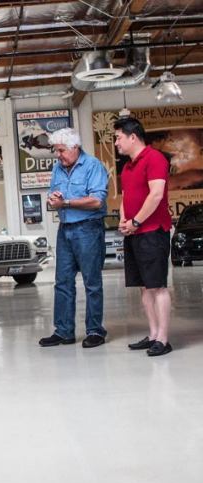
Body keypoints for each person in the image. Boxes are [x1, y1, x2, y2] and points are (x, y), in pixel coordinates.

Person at [39, 128, 109, 349]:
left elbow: (97, 201)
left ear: (75, 147)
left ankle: (95, 331)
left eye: (61, 150)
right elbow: (53, 195)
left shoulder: (93, 166)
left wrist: (66, 202)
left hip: (88, 229)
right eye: (56, 151)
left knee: (92, 283)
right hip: (65, 230)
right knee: (63, 283)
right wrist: (54, 198)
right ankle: (64, 331)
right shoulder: (57, 169)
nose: (58, 155)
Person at [114, 117, 173, 357]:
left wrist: (136, 222)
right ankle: (153, 334)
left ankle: (164, 338)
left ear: (132, 137)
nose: (116, 143)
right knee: (143, 287)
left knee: (156, 285)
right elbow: (126, 198)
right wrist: (123, 220)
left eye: (118, 137)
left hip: (152, 232)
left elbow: (156, 194)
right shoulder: (127, 166)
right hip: (134, 233)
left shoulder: (155, 158)